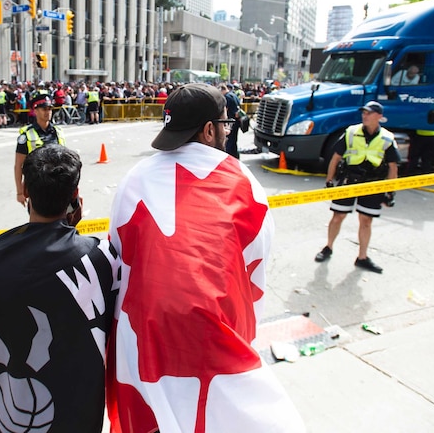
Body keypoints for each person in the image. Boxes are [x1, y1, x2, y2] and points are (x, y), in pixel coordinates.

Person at [106, 83, 304, 433]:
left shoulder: (134, 178)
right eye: (225, 125)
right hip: (214, 330)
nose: (228, 132)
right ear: (209, 129)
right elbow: (255, 268)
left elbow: (120, 254)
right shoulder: (242, 179)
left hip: (144, 332)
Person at [0, 145, 120, 433]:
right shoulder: (100, 258)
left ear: (26, 191)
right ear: (75, 196)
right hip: (80, 413)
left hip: (14, 417)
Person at [314, 101, 400, 274]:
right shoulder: (351, 132)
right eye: (364, 113)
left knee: (366, 220)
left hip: (372, 183)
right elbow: (336, 158)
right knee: (338, 216)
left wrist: (391, 192)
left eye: (369, 113)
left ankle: (362, 257)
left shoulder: (387, 138)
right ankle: (328, 247)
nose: (365, 116)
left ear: (379, 117)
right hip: (349, 180)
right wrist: (330, 181)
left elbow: (393, 167)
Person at [14, 91, 65, 206]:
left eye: (49, 109)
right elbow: (18, 165)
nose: (48, 112)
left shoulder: (58, 132)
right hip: (36, 188)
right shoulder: (26, 135)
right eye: (44, 109)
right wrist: (19, 192)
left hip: (58, 185)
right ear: (35, 111)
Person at [220, 83, 241, 158]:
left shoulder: (227, 97)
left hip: (230, 121)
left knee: (229, 142)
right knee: (234, 141)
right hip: (237, 121)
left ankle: (229, 157)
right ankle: (235, 156)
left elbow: (225, 110)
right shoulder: (234, 95)